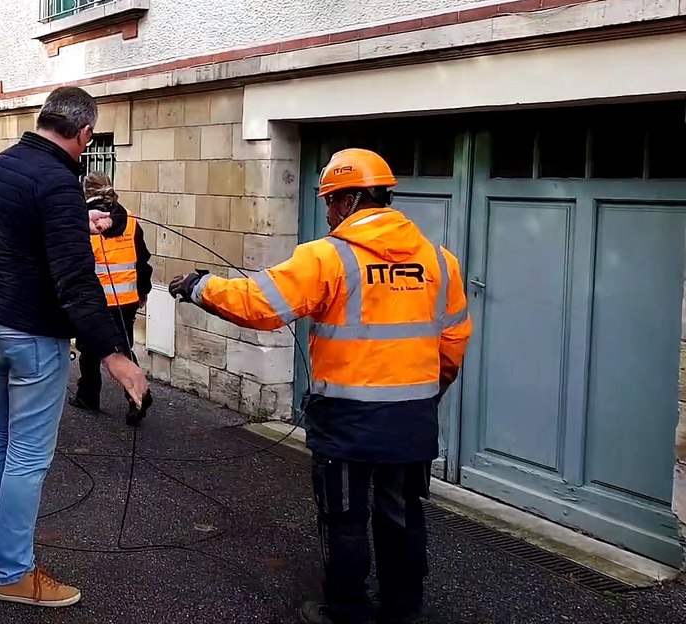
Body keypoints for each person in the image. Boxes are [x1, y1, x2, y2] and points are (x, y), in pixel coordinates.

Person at [167, 148, 473, 624]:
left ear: (349, 200)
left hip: (347, 418)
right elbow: (453, 340)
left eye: (330, 201)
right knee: (402, 511)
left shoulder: (327, 256)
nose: (328, 212)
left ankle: (347, 609)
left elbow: (260, 305)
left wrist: (200, 285)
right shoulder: (440, 261)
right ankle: (403, 608)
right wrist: (429, 392)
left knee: (345, 517)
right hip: (412, 417)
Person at [0, 85, 150, 608]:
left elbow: (22, 235)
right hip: (33, 336)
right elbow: (74, 279)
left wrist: (79, 221)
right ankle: (13, 574)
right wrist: (116, 354)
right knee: (27, 455)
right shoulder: (58, 182)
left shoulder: (0, 167)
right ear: (85, 132)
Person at [70, 171, 154, 425]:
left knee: (89, 349)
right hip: (126, 300)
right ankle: (136, 395)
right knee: (123, 347)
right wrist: (143, 292)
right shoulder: (129, 222)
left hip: (94, 302)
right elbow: (143, 261)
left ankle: (88, 396)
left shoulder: (83, 222)